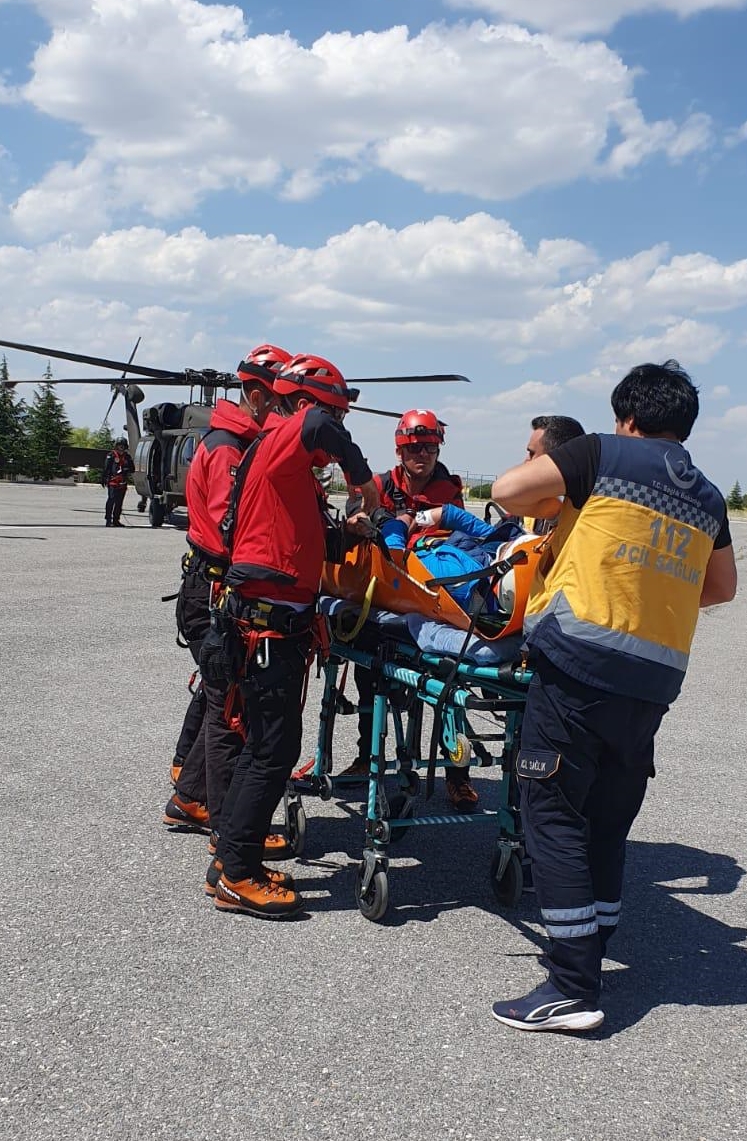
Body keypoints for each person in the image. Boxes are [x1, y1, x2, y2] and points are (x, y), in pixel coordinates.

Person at [487, 360, 737, 1033]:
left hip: (576, 666)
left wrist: (561, 507)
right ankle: (594, 937)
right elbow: (719, 588)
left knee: (555, 813)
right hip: (650, 683)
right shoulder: (708, 496)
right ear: (682, 424)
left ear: (626, 415)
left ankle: (570, 985)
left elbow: (510, 490)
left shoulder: (602, 452)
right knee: (605, 815)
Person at [211, 354, 379, 918]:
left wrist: (345, 533)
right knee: (273, 749)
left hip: (264, 620)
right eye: (337, 414)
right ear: (310, 403)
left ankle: (233, 856)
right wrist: (363, 481)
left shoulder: (279, 456)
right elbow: (317, 428)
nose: (338, 433)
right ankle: (237, 873)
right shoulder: (290, 432)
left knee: (264, 744)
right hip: (268, 628)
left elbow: (293, 538)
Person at [164, 346, 291, 840]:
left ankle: (190, 798)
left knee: (220, 699)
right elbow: (228, 529)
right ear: (258, 397)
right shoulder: (229, 449)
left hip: (211, 589)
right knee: (231, 712)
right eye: (283, 401)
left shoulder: (240, 443)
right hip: (215, 590)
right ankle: (227, 827)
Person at [341, 410, 481, 812]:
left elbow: (464, 538)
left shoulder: (450, 493)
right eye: (413, 447)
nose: (422, 453)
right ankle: (367, 758)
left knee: (449, 684)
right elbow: (353, 519)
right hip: (385, 596)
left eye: (429, 447)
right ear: (400, 449)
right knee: (370, 676)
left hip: (433, 597)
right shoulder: (380, 486)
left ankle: (459, 775)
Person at [518, 415, 584, 533]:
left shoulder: (583, 515)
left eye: (532, 453)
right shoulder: (531, 505)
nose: (526, 461)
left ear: (556, 458)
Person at [101, 438, 134, 527]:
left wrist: (126, 469)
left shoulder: (127, 457)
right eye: (119, 446)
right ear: (116, 446)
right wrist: (104, 478)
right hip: (113, 482)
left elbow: (132, 469)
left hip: (122, 483)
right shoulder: (111, 455)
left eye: (122, 446)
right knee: (111, 500)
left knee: (119, 503)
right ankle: (108, 519)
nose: (121, 448)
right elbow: (106, 468)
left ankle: (116, 520)